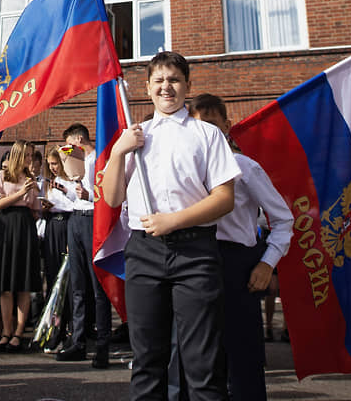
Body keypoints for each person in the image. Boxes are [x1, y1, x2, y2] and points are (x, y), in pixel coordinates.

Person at [102, 51, 240, 401]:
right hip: (144, 253)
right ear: (147, 87)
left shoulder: (207, 134)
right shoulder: (134, 136)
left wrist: (173, 220)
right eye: (159, 80)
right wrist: (118, 152)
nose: (167, 87)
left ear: (187, 86)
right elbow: (113, 198)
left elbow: (224, 198)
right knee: (148, 358)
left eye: (174, 80)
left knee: (202, 363)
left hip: (195, 253)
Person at [190, 93, 293, 401]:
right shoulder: (184, 168)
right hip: (194, 262)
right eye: (197, 126)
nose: (205, 132)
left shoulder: (243, 166)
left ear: (227, 126)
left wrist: (267, 263)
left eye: (211, 124)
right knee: (198, 354)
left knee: (243, 356)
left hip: (237, 266)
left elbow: (284, 219)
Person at [58, 123, 112, 368]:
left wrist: (87, 195)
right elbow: (75, 193)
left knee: (97, 285)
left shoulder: (99, 159)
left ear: (79, 139)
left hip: (94, 218)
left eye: (70, 144)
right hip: (76, 219)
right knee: (77, 285)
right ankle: (78, 342)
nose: (69, 149)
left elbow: (107, 193)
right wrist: (67, 191)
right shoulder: (76, 164)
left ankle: (103, 345)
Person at [0, 140, 41, 353]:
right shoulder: (0, 176)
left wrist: (35, 193)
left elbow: (35, 209)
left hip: (25, 228)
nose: (30, 160)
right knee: (5, 283)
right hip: (5, 226)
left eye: (31, 156)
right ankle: (6, 331)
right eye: (27, 155)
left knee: (23, 282)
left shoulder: (31, 179)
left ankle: (19, 333)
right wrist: (21, 193)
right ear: (17, 156)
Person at [40, 145, 77, 353]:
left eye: (57, 163)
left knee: (68, 280)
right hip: (52, 225)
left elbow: (74, 203)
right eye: (51, 164)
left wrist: (64, 191)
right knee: (53, 276)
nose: (53, 168)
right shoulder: (47, 184)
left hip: (67, 224)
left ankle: (71, 329)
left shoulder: (70, 181)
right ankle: (54, 328)